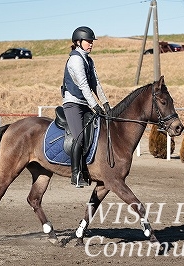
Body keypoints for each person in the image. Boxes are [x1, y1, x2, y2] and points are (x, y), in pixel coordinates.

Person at [61, 26, 111, 188]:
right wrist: (95, 106)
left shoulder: (89, 60)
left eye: (91, 41)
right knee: (80, 137)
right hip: (73, 104)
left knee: (98, 130)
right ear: (78, 42)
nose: (91, 44)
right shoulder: (75, 59)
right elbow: (83, 85)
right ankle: (76, 174)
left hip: (84, 104)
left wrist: (106, 104)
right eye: (88, 41)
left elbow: (95, 84)